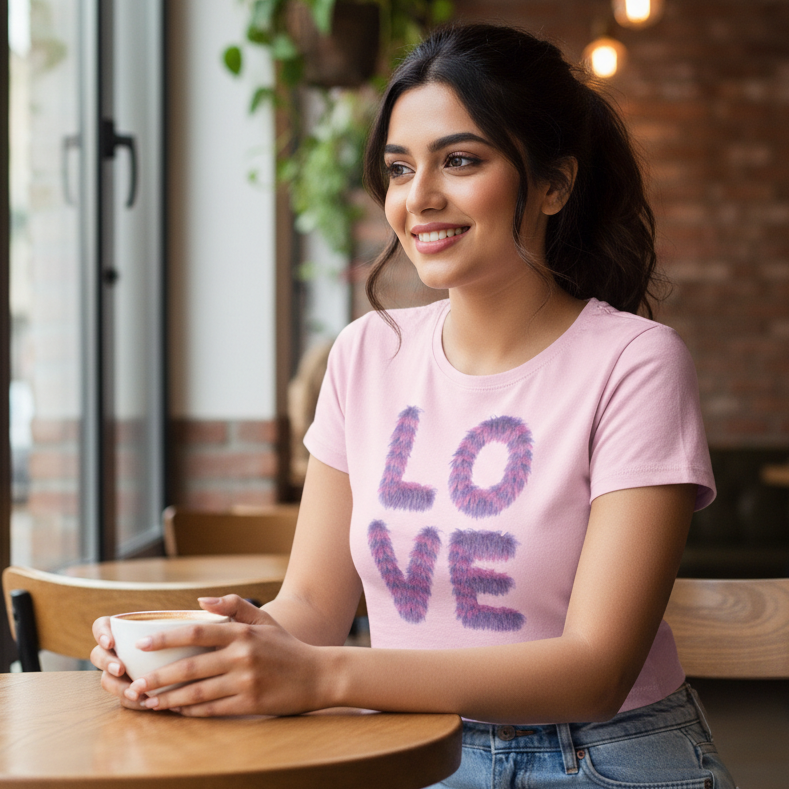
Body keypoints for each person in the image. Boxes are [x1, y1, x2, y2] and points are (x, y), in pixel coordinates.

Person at [92, 23, 737, 788]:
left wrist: (324, 677)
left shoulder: (633, 362)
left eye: (460, 160)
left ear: (555, 184)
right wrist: (219, 650)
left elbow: (594, 669)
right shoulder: (366, 353)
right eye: (400, 168)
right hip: (408, 750)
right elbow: (312, 605)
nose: (419, 198)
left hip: (600, 754)